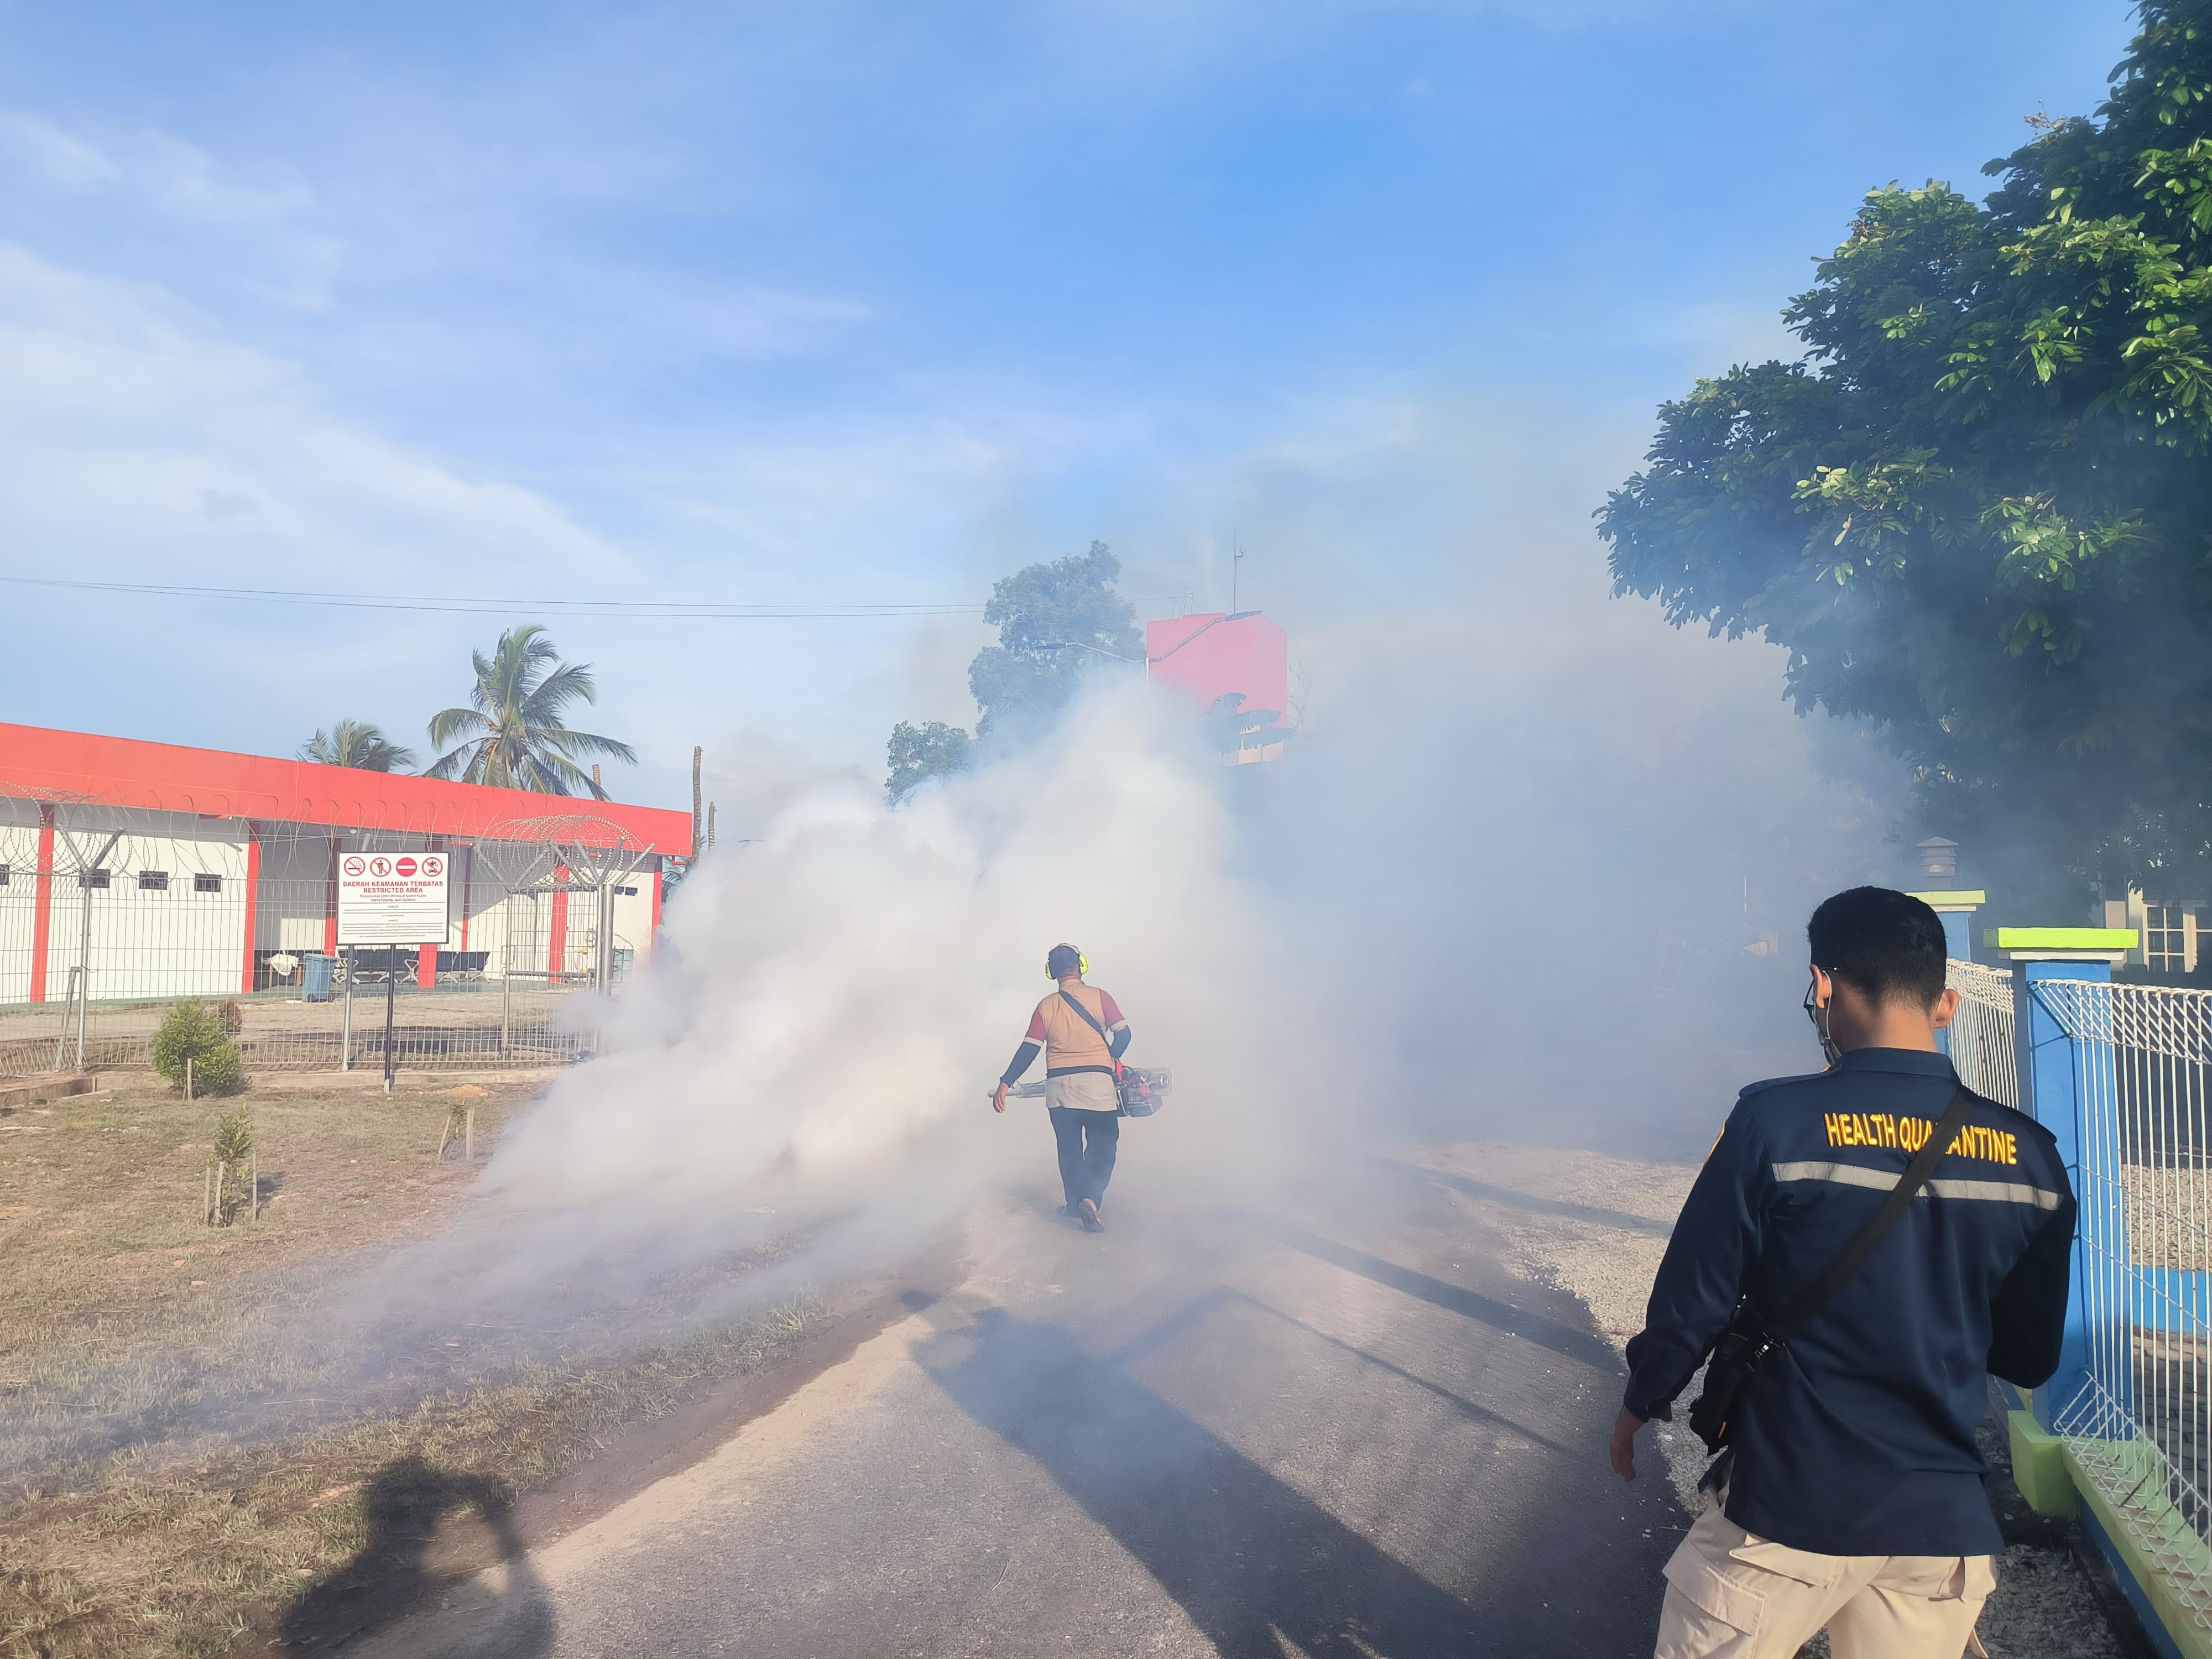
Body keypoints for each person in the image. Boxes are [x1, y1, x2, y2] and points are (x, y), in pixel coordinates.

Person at [1611, 887, 2077, 1659]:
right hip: (1938, 1528)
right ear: (1948, 1004)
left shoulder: (1775, 1124)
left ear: (1823, 987)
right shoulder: (2030, 1159)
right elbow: (2029, 1358)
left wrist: (1643, 1398)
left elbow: (1695, 1296)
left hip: (1786, 1509)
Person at [993, 943, 1131, 1232]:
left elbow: (1029, 1049)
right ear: (1081, 965)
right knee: (1103, 1148)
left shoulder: (1046, 1006)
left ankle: (1073, 1205)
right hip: (1099, 1089)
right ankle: (1091, 1200)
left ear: (1051, 972)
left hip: (1060, 1091)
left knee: (1069, 1151)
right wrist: (1111, 1057)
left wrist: (1006, 1082)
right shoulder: (1101, 997)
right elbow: (1124, 1034)